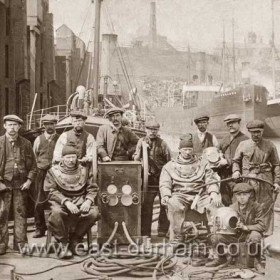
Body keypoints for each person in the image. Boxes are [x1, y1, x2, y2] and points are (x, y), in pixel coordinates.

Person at [159, 134, 222, 244]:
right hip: (180, 195)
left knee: (214, 204)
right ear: (179, 150)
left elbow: (210, 179)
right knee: (173, 204)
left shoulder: (203, 163)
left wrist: (213, 192)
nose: (187, 152)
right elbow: (165, 183)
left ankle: (215, 237)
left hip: (200, 194)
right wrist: (165, 195)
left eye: (190, 149)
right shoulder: (169, 166)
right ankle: (177, 238)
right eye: (185, 150)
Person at [44, 144, 99, 259]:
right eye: (68, 157)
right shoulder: (53, 172)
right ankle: (63, 243)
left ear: (77, 158)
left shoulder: (84, 170)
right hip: (60, 201)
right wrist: (66, 202)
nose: (70, 160)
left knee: (94, 212)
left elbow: (92, 188)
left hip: (80, 199)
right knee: (57, 213)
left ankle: (75, 239)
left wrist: (88, 201)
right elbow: (51, 191)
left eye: (73, 157)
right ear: (62, 158)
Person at [232, 120, 280, 236]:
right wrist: (236, 171)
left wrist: (277, 181)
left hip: (265, 180)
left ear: (262, 131)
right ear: (249, 132)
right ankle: (245, 229)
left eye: (258, 132)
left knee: (265, 204)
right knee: (246, 203)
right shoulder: (243, 145)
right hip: (248, 179)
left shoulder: (270, 145)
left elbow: (276, 165)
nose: (256, 135)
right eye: (253, 132)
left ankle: (264, 232)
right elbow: (236, 161)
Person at [207, 183, 265, 273]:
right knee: (215, 236)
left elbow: (262, 226)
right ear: (235, 196)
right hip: (236, 236)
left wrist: (246, 227)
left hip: (249, 235)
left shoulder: (257, 207)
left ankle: (257, 262)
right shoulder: (232, 207)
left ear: (249, 195)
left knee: (255, 235)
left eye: (245, 194)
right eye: (239, 195)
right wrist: (216, 224)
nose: (242, 197)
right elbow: (225, 223)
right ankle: (221, 258)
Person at [0, 115, 37, 254]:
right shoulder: (0, 143)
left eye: (15, 125)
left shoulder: (26, 144)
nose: (12, 128)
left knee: (20, 214)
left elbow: (34, 165)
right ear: (4, 126)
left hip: (21, 185)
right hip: (3, 185)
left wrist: (28, 181)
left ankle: (20, 243)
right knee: (1, 214)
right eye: (9, 125)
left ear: (19, 127)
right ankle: (1, 244)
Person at [133, 119, 171, 237]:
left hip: (161, 179)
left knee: (165, 204)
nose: (152, 132)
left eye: (155, 129)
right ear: (146, 130)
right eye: (150, 129)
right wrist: (142, 149)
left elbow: (170, 161)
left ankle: (162, 230)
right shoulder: (141, 141)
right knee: (146, 206)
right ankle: (145, 232)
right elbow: (136, 158)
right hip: (147, 181)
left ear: (157, 130)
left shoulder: (163, 144)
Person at [32, 114, 59, 238]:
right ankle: (40, 228)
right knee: (39, 201)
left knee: (55, 200)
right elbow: (34, 156)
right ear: (43, 126)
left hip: (55, 173)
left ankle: (56, 228)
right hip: (41, 173)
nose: (49, 126)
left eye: (52, 124)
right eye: (47, 124)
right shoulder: (39, 139)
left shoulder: (60, 138)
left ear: (55, 125)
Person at [218, 114, 249, 205]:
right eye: (228, 124)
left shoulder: (245, 140)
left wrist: (227, 161)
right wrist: (219, 155)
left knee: (238, 202)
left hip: (238, 177)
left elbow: (246, 159)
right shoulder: (225, 139)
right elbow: (218, 150)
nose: (230, 125)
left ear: (239, 124)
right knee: (225, 201)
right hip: (224, 177)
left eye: (233, 123)